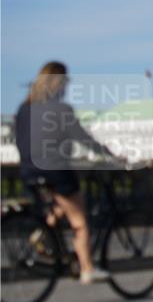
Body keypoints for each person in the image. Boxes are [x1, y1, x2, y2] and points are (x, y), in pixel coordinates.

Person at [14, 61, 121, 283]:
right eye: (66, 82)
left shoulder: (24, 109)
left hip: (28, 170)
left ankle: (40, 235)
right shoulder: (62, 110)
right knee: (80, 221)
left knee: (62, 204)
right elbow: (83, 138)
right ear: (57, 83)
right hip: (56, 170)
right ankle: (88, 268)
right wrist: (111, 155)